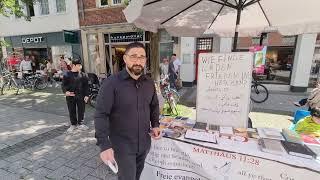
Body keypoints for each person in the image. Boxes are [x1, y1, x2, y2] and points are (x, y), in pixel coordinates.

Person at [94, 42, 161, 180]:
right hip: (122, 147)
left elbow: (154, 105)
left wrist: (155, 124)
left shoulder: (149, 83)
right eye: (134, 56)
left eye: (142, 57)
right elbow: (101, 114)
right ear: (125, 59)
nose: (138, 60)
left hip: (144, 143)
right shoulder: (111, 84)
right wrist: (104, 144)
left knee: (137, 176)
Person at [61, 60, 90, 133]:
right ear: (74, 65)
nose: (81, 66)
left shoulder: (83, 75)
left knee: (81, 110)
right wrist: (66, 92)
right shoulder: (67, 74)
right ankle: (73, 124)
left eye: (81, 65)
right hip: (71, 95)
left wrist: (87, 95)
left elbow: (86, 86)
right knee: (71, 110)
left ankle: (80, 123)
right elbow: (63, 85)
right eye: (79, 65)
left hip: (81, 95)